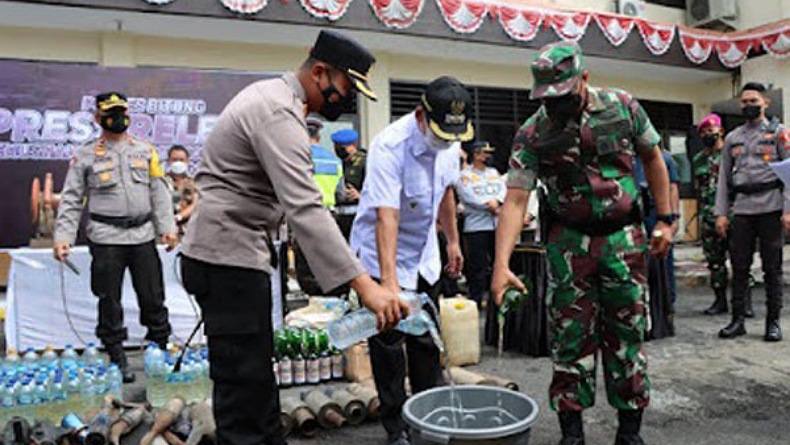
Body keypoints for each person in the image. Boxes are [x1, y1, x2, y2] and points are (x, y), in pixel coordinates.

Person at [178, 30, 406, 445]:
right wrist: (365, 287)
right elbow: (305, 207)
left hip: (239, 256)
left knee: (256, 375)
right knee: (242, 388)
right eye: (346, 88)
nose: (348, 99)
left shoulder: (278, 101)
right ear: (320, 72)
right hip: (225, 258)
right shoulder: (276, 112)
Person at [491, 42, 672, 445]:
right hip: (569, 246)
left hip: (624, 241)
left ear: (584, 79)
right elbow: (516, 198)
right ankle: (571, 435)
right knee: (570, 338)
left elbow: (654, 158)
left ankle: (630, 433)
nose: (556, 106)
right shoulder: (534, 132)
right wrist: (501, 264)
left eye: (564, 97)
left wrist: (666, 218)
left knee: (627, 337)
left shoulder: (622, 106)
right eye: (548, 100)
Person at [350, 75, 472, 445]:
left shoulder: (450, 144)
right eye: (439, 132)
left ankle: (426, 415)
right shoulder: (390, 146)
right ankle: (395, 428)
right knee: (388, 346)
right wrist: (388, 286)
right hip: (380, 255)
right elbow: (387, 217)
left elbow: (446, 193)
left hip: (424, 256)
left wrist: (451, 241)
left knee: (424, 342)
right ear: (421, 115)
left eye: (453, 135)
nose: (446, 141)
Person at [53, 92, 178, 383]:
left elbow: (158, 191)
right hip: (106, 237)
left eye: (122, 111)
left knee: (153, 296)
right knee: (109, 300)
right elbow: (72, 198)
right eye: (110, 112)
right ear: (97, 118)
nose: (118, 117)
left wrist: (167, 228)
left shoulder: (145, 150)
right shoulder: (85, 155)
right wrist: (63, 237)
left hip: (142, 235)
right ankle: (116, 355)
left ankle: (160, 349)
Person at [715, 82, 790, 342]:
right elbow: (724, 178)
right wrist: (721, 213)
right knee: (739, 266)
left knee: (772, 268)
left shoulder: (779, 134)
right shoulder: (733, 138)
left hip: (771, 207)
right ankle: (737, 320)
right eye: (744, 102)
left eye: (753, 101)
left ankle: (772, 323)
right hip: (743, 210)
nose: (748, 105)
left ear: (765, 102)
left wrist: (788, 210)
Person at [295, 117, 347, 296]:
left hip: (305, 214)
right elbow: (341, 194)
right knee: (329, 259)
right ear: (318, 136)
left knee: (306, 261)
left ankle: (312, 297)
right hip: (330, 216)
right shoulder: (334, 161)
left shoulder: (298, 158)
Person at [635, 149, 681, 337]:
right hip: (635, 213)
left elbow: (672, 188)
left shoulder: (664, 158)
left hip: (657, 213)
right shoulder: (626, 157)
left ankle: (665, 311)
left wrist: (673, 217)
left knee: (662, 261)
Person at [455, 141, 506, 306]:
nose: (488, 156)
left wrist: (497, 202)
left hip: (496, 225)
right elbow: (468, 196)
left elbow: (502, 190)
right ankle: (476, 299)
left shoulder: (493, 172)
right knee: (478, 266)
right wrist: (487, 205)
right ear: (476, 154)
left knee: (497, 263)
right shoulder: (465, 175)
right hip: (476, 226)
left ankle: (494, 299)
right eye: (485, 152)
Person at [693, 114, 732, 315]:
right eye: (704, 132)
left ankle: (745, 303)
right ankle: (720, 301)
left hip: (732, 214)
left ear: (721, 131)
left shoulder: (732, 154)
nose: (708, 134)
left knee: (740, 260)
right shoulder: (698, 159)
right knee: (715, 261)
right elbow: (698, 189)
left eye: (712, 130)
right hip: (708, 216)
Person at [333, 128, 367, 239]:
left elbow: (376, 187)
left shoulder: (363, 162)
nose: (338, 150)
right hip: (339, 215)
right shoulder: (337, 163)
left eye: (342, 147)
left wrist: (361, 196)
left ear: (353, 145)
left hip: (357, 215)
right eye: (336, 147)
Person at [165, 144, 198, 236]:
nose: (178, 163)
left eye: (181, 160)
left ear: (187, 161)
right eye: (174, 160)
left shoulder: (194, 183)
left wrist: (179, 216)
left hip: (188, 232)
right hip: (166, 231)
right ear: (168, 161)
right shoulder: (161, 182)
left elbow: (195, 204)